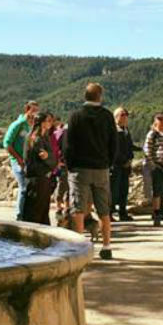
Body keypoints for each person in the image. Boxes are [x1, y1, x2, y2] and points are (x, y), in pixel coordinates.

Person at [65, 83, 117, 260]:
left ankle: (80, 247)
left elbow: (69, 144)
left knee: (78, 208)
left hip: (80, 168)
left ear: (85, 96)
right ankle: (107, 246)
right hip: (101, 167)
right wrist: (108, 163)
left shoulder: (75, 116)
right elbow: (113, 143)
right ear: (100, 96)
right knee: (104, 209)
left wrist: (70, 165)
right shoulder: (108, 116)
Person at [3, 100, 40, 220]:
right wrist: (18, 159)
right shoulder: (18, 124)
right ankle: (19, 216)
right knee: (23, 188)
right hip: (17, 161)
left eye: (36, 110)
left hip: (29, 161)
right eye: (33, 110)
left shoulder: (33, 126)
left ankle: (27, 215)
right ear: (27, 110)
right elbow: (7, 143)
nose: (35, 113)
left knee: (30, 188)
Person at [21, 111, 56, 225]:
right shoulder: (37, 139)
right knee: (36, 211)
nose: (50, 123)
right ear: (41, 123)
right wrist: (51, 159)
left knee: (40, 210)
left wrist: (50, 158)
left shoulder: (41, 137)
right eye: (48, 120)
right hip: (38, 179)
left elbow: (49, 157)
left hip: (40, 178)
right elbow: (45, 158)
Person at [110, 107, 136, 221]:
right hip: (116, 166)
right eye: (122, 114)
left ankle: (123, 213)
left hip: (126, 166)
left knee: (124, 190)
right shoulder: (113, 130)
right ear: (115, 117)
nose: (125, 117)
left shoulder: (126, 130)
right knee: (113, 191)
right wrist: (124, 160)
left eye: (126, 114)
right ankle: (109, 213)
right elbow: (114, 149)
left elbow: (129, 146)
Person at [51, 116, 70, 223]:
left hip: (68, 164)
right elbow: (56, 148)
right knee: (62, 185)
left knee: (67, 187)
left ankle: (66, 209)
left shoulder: (62, 132)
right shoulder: (61, 132)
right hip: (63, 164)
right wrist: (58, 161)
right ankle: (59, 208)